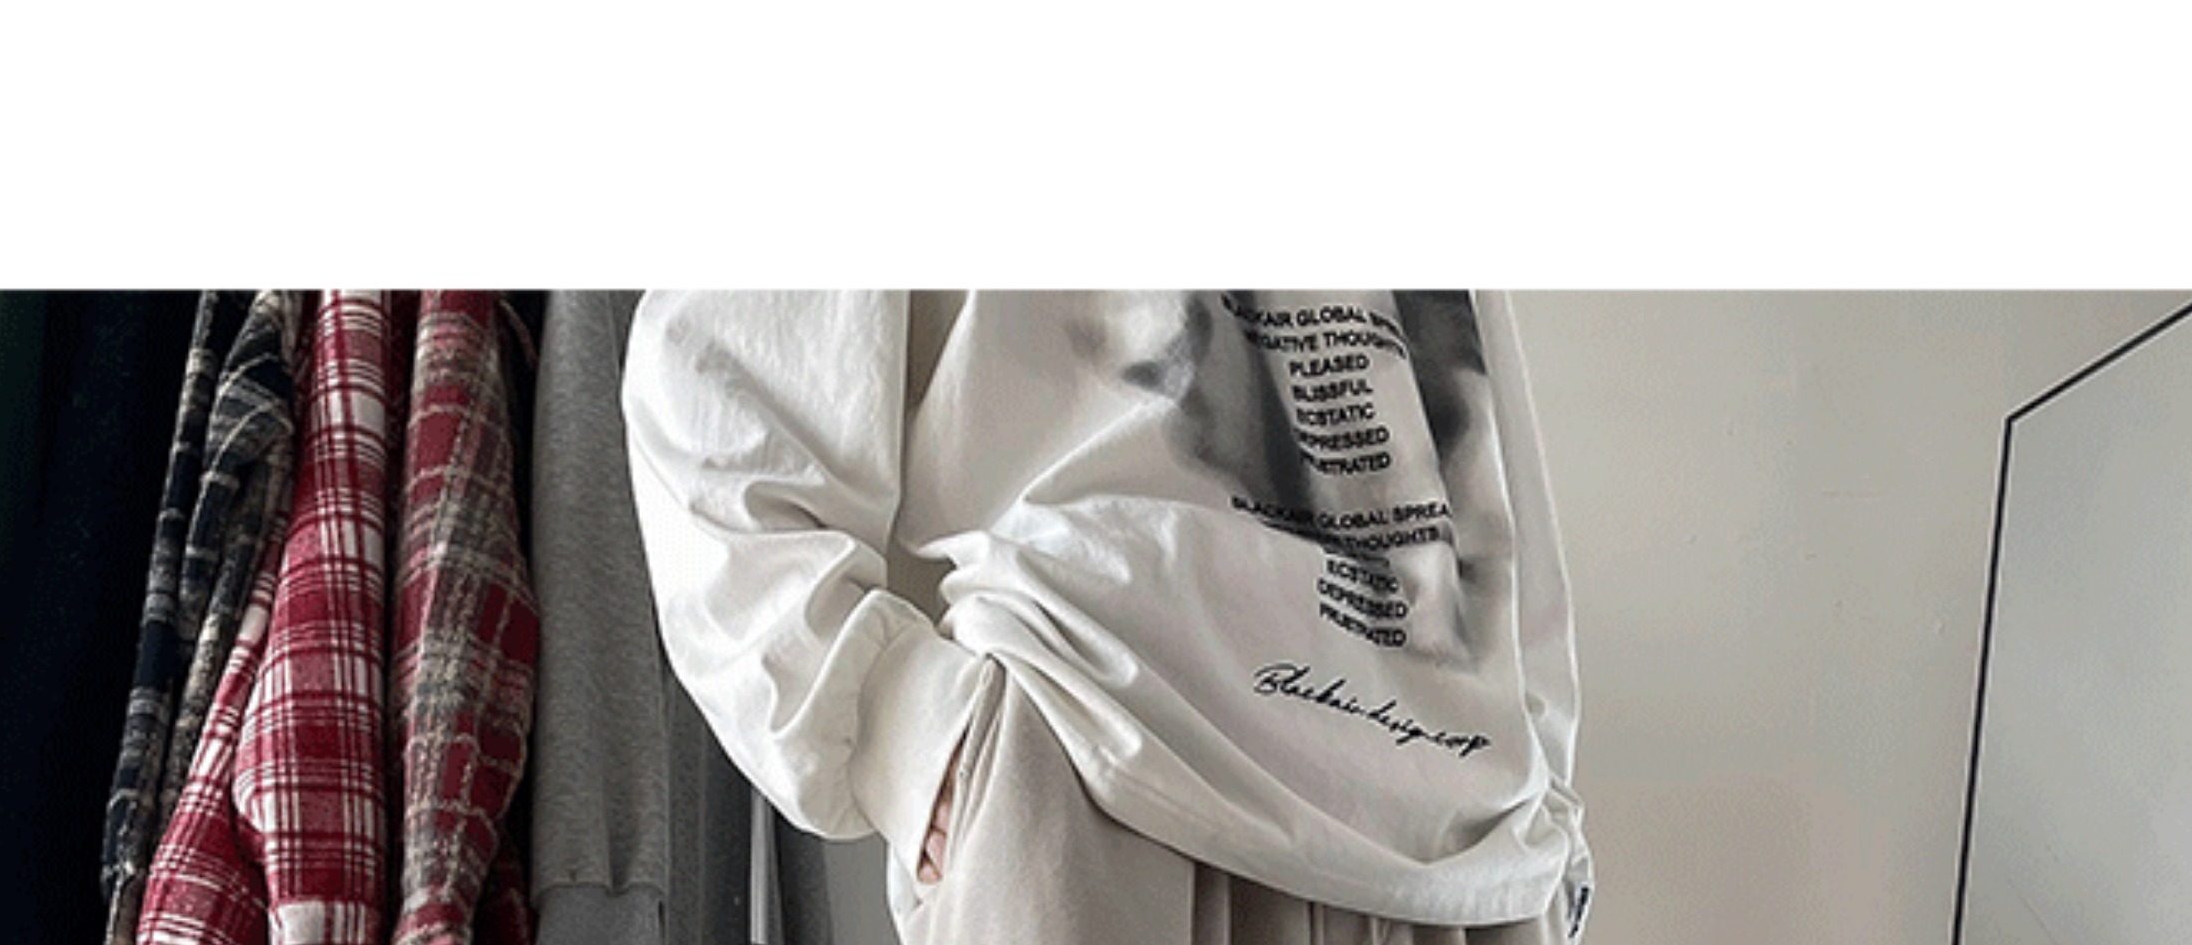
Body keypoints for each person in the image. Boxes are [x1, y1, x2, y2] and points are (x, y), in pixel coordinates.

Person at [623, 288, 1594, 945]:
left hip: (1466, 850)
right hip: (1099, 771)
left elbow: (1481, 434)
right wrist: (900, 724)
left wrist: (1544, 793)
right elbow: (716, 385)